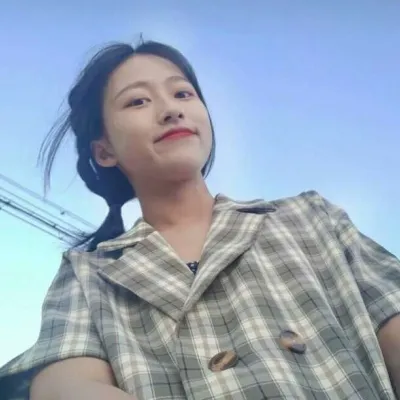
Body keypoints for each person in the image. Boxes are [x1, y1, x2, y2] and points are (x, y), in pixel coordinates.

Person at [0, 39, 399, 400]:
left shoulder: (311, 218)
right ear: (105, 151)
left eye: (182, 93)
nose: (172, 109)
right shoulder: (89, 273)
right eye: (138, 101)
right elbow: (64, 384)